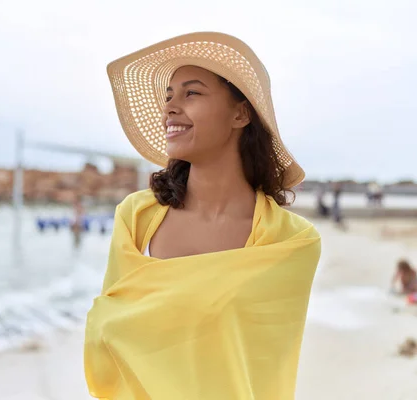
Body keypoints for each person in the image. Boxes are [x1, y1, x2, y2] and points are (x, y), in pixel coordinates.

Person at [84, 32, 321, 399]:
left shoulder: (290, 241)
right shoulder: (136, 218)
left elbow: (265, 366)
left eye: (191, 93)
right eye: (169, 97)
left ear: (240, 113)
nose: (170, 108)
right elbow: (107, 336)